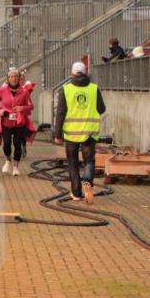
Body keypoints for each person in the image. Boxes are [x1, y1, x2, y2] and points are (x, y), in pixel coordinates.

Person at [53, 61, 107, 204]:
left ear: (72, 73)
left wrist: (57, 134)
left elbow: (60, 113)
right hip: (89, 132)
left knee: (72, 163)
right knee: (89, 160)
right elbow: (101, 109)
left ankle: (76, 193)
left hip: (71, 133)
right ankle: (87, 180)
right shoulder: (94, 88)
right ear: (85, 72)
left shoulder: (66, 90)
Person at [0, 68, 34, 177]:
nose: (14, 79)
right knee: (6, 143)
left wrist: (22, 108)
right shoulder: (2, 90)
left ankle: (16, 166)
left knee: (17, 144)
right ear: (8, 78)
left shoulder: (24, 91)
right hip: (6, 122)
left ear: (19, 78)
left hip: (19, 123)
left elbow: (31, 106)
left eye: (16, 76)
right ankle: (8, 160)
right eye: (11, 77)